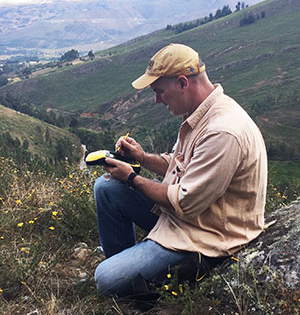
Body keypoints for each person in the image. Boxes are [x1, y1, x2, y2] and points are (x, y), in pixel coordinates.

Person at [93, 43, 268, 297]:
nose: (156, 100)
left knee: (105, 279)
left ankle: (170, 274)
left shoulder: (222, 131)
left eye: (160, 91)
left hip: (208, 235)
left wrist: (132, 177)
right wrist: (141, 157)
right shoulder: (200, 113)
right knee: (106, 187)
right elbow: (180, 164)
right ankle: (133, 270)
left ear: (183, 83)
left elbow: (185, 201)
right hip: (190, 218)